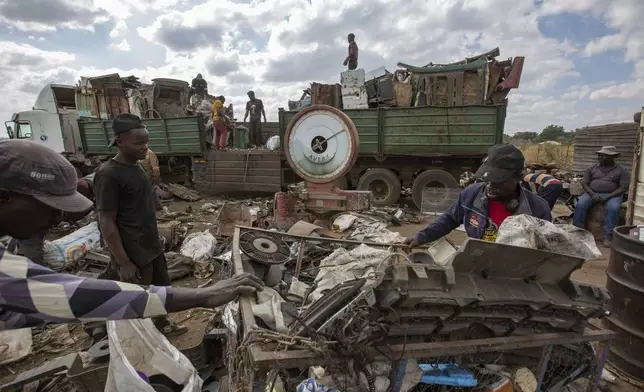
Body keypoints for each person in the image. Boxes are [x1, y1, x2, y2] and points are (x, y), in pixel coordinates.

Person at [0, 139, 263, 330]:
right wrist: (203, 295)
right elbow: (63, 296)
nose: (57, 219)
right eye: (50, 207)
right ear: (5, 197)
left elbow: (22, 310)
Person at [93, 114, 185, 335]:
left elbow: (143, 198)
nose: (145, 147)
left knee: (161, 290)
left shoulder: (136, 167)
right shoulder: (108, 175)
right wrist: (123, 261)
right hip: (133, 250)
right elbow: (106, 220)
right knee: (136, 297)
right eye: (138, 143)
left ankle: (162, 325)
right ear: (120, 142)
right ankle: (135, 337)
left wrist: (160, 214)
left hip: (150, 244)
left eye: (146, 142)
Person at [405, 144, 552, 247]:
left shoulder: (538, 210)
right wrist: (422, 237)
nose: (489, 185)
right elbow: (449, 219)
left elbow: (544, 251)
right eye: (487, 179)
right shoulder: (471, 194)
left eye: (497, 180)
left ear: (517, 177)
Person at [572, 146, 630, 247]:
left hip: (613, 195)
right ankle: (577, 231)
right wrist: (593, 194)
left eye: (603, 156)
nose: (600, 157)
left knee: (613, 208)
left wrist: (608, 196)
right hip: (592, 193)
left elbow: (624, 187)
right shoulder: (592, 167)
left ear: (612, 157)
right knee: (580, 204)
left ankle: (608, 237)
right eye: (599, 155)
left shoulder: (622, 170)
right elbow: (584, 183)